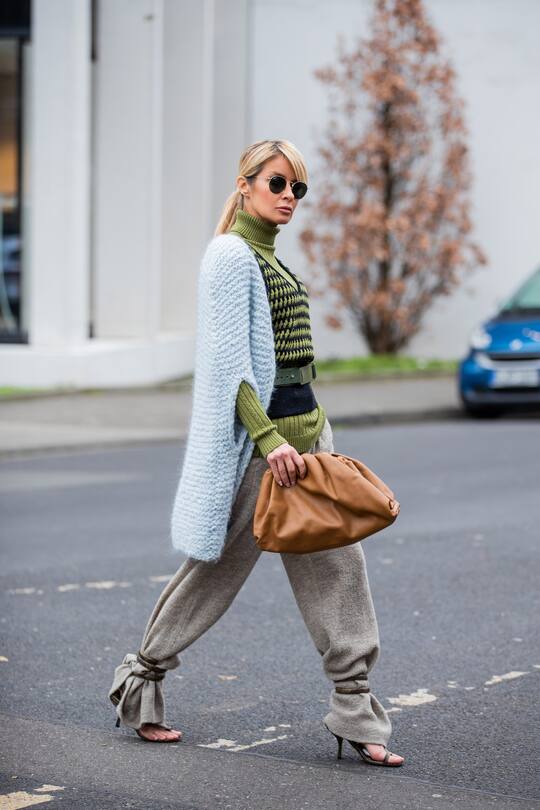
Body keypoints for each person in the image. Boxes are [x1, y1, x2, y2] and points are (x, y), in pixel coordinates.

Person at [108, 139, 404, 767]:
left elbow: (289, 362)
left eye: (299, 188)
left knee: (339, 571)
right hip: (261, 452)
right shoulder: (229, 256)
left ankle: (355, 712)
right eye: (277, 183)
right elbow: (229, 369)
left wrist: (314, 432)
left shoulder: (271, 258)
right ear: (244, 185)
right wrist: (271, 444)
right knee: (213, 574)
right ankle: (143, 684)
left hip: (309, 440)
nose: (289, 197)